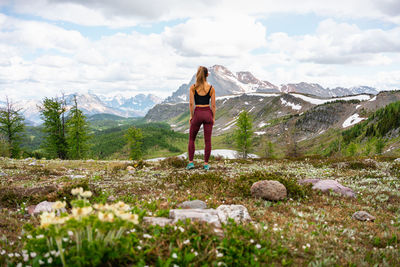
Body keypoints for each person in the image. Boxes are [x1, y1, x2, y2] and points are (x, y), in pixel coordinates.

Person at [186, 66, 216, 170]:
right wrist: (213, 117)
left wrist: (191, 116)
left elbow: (191, 103)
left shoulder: (193, 87)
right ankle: (206, 164)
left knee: (191, 139)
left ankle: (190, 163)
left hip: (197, 113)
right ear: (207, 75)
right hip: (207, 113)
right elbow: (213, 105)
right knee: (208, 141)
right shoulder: (211, 88)